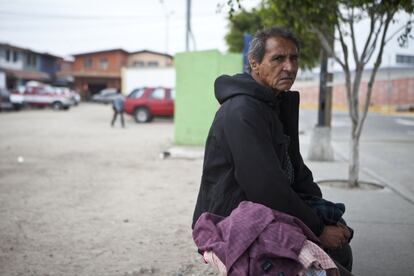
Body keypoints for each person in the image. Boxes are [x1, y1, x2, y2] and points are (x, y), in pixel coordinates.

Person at [192, 27, 353, 275]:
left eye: (294, 58)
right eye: (278, 58)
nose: (289, 66)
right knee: (328, 269)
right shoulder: (242, 111)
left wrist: (320, 214)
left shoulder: (274, 103)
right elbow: (265, 187)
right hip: (232, 219)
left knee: (339, 238)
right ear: (255, 64)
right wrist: (318, 229)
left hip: (266, 208)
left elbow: (295, 169)